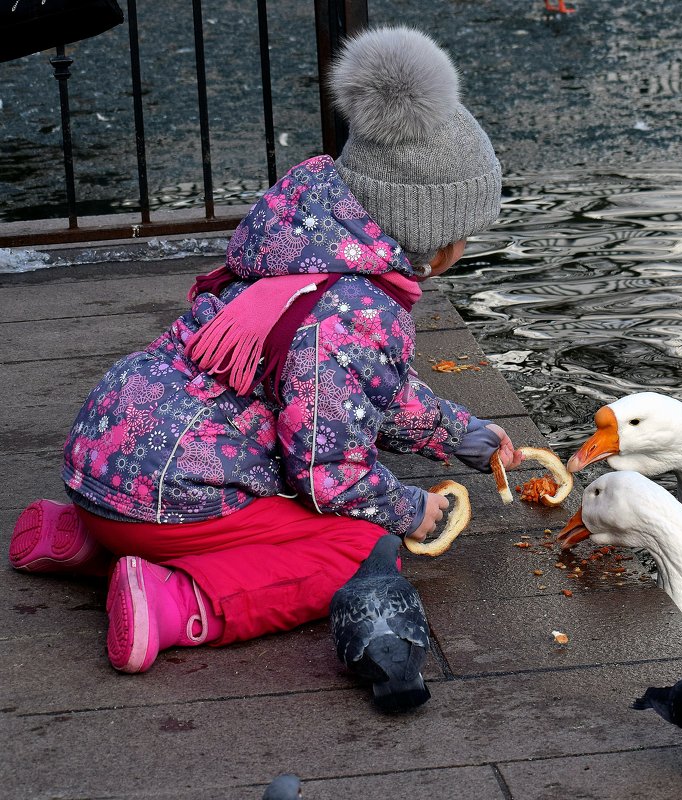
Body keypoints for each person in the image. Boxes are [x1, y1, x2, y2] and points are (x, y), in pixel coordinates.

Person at [7, 26, 523, 674]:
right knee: (357, 546)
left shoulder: (300, 247)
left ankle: (84, 540)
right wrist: (413, 511)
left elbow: (360, 392)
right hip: (168, 501)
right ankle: (177, 601)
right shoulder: (357, 318)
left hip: (102, 459)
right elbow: (328, 474)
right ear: (435, 239)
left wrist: (457, 433)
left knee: (202, 495)